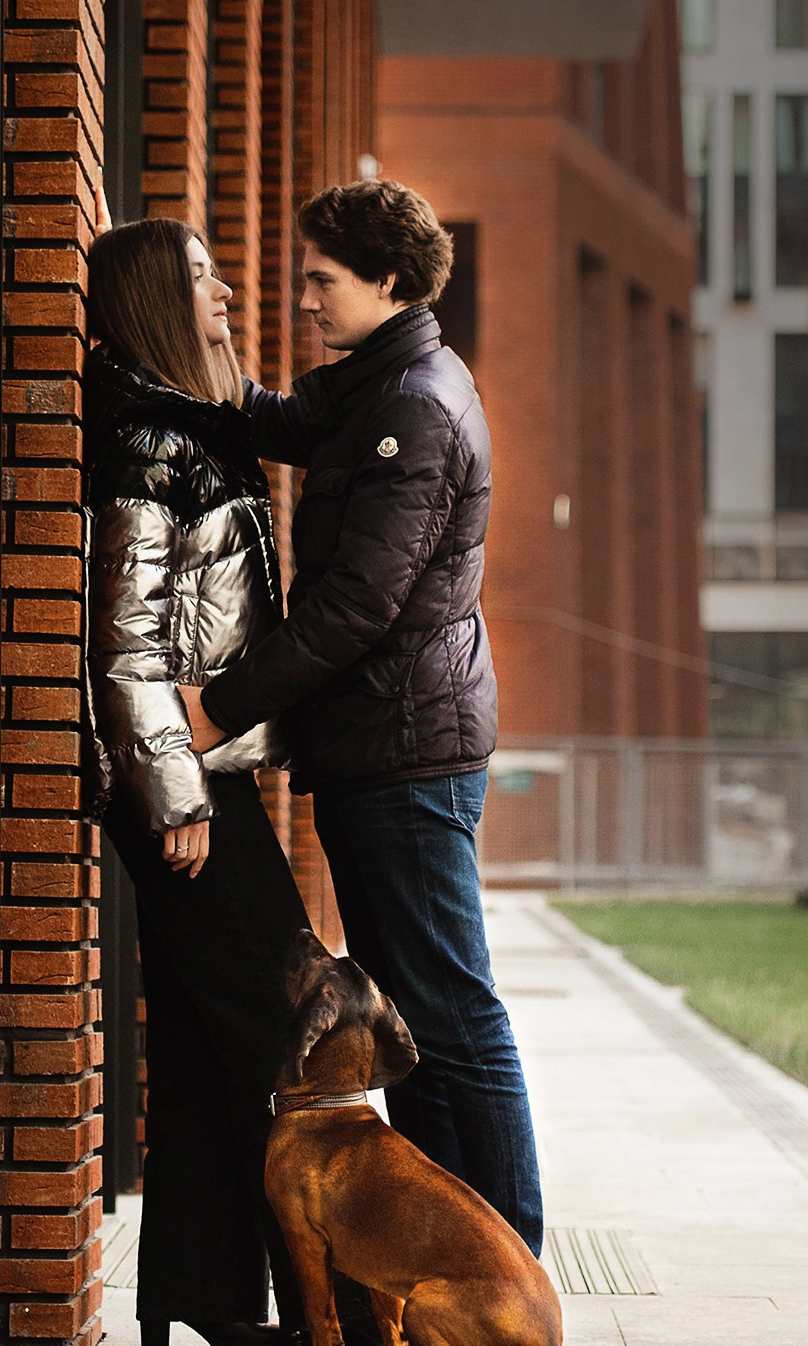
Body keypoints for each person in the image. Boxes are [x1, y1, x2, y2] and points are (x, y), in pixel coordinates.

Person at [179, 179, 543, 1256]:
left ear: (386, 281)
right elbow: (278, 419)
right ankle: (457, 1254)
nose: (302, 298)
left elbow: (357, 605)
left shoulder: (416, 406)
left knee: (453, 1016)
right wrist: (189, 346)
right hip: (382, 746)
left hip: (406, 751)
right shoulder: (380, 383)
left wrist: (220, 704)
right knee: (418, 1023)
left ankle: (507, 1268)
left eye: (320, 279)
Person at [83, 216, 314, 1346]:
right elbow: (122, 641)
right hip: (178, 782)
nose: (225, 291)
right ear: (157, 301)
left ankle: (197, 1289)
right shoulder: (146, 440)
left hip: (200, 770)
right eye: (202, 277)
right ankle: (331, 1301)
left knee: (198, 1028)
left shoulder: (184, 428)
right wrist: (169, 795)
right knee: (285, 1018)